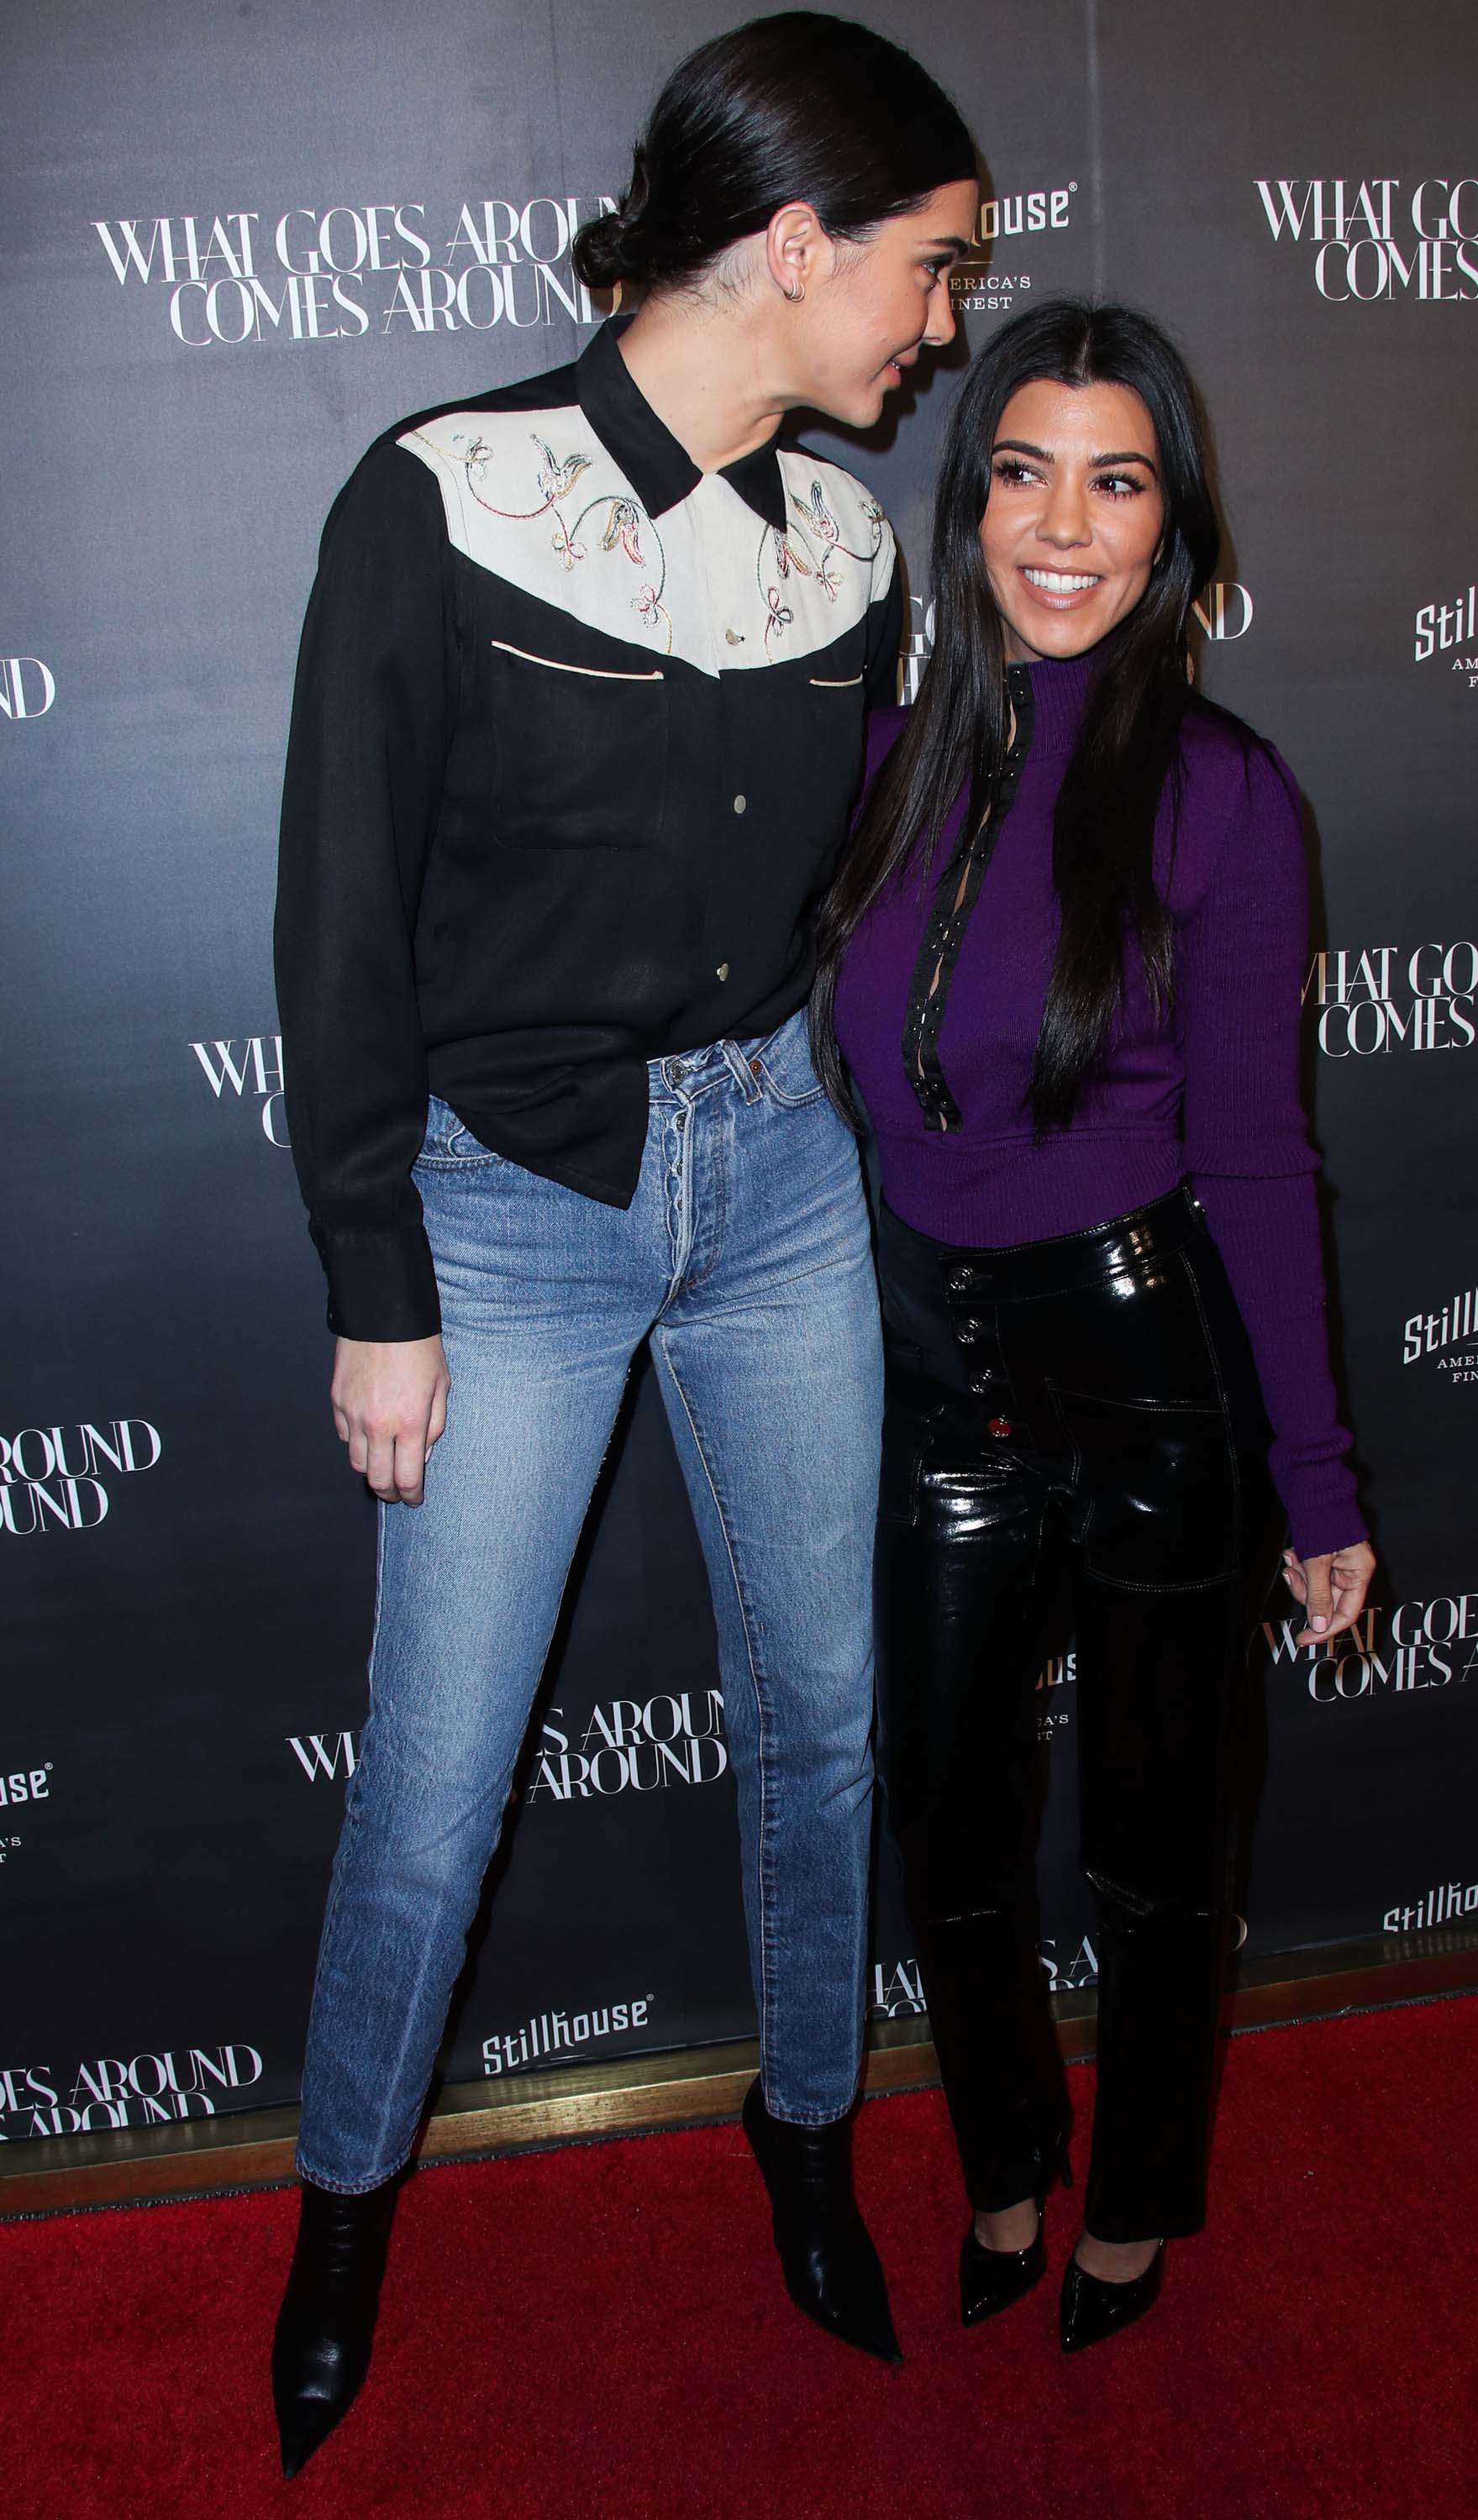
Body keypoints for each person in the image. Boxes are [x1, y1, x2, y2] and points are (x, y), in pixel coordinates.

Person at [269, 12, 977, 2474]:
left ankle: (808, 2132)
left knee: (822, 1715)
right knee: (437, 1783)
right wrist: (377, 1281)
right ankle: (340, 2217)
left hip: (779, 1181)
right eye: (928, 265)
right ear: (792, 243)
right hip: (510, 1211)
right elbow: (339, 923)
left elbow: (857, 901)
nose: (943, 322)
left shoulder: (853, 549)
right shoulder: (444, 495)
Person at [814, 298, 1375, 2355]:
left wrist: (1317, 1478)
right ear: (967, 511)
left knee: (1157, 1860)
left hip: (1151, 1388)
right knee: (948, 1836)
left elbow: (1260, 1157)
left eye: (1115, 482)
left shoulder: (1224, 797)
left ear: (1172, 525)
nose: (1065, 527)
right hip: (939, 1382)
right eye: (1024, 474)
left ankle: (1129, 2213)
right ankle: (1001, 2165)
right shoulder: (878, 764)